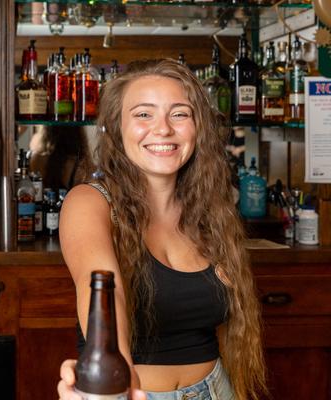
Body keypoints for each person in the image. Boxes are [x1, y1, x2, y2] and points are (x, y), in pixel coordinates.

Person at [58, 58, 267, 400]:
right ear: (115, 126)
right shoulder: (90, 203)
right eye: (143, 114)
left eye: (180, 114)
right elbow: (105, 293)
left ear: (197, 127)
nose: (163, 129)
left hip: (216, 390)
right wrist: (115, 385)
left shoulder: (210, 211)